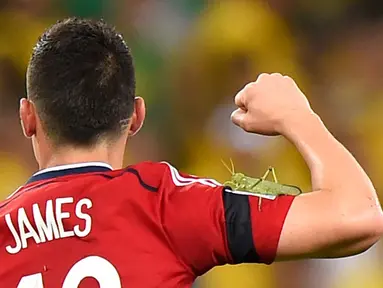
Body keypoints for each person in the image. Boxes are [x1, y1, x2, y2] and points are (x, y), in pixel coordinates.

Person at [0, 18, 382, 288]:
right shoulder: (163, 204)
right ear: (135, 117)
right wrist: (298, 116)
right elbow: (358, 216)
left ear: (27, 117)